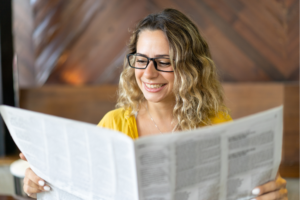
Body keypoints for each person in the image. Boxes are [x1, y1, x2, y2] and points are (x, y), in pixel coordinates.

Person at [21, 8, 287, 199]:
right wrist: (38, 186)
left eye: (164, 61)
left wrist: (271, 195)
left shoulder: (216, 125)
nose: (148, 73)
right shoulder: (113, 124)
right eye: (142, 59)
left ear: (191, 67)